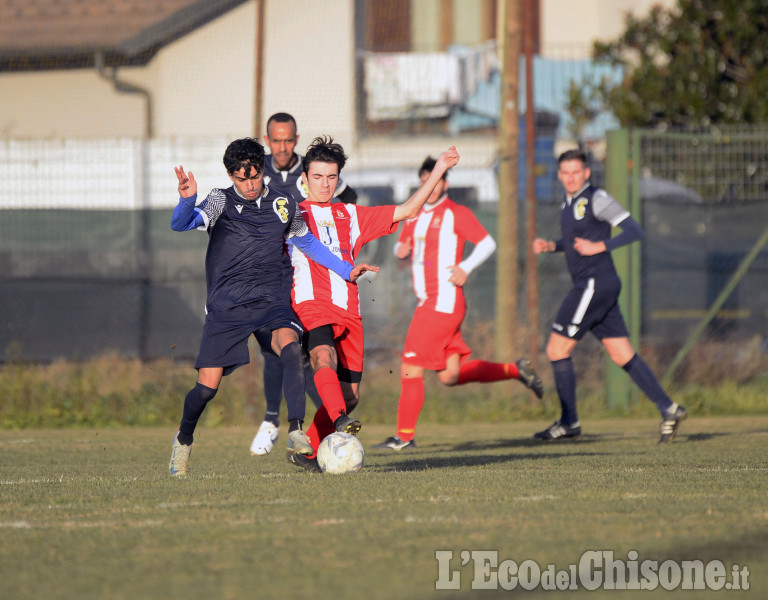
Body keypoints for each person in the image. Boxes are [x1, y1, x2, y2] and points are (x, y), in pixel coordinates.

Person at [167, 137, 375, 476]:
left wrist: (346, 269)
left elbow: (308, 243)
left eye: (254, 176)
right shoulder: (220, 199)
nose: (249, 185)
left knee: (291, 347)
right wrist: (187, 200)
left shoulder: (283, 203)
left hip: (272, 299)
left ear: (262, 170)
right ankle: (183, 439)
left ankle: (295, 431)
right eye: (241, 178)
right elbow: (181, 223)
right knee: (207, 388)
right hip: (228, 305)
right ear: (231, 176)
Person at [287, 137, 461, 471]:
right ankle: (340, 421)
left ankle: (306, 450)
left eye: (331, 177)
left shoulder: (351, 215)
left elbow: (409, 210)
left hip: (349, 311)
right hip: (310, 305)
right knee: (322, 357)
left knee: (351, 395)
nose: (325, 184)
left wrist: (440, 167)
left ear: (339, 179)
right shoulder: (291, 214)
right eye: (318, 176)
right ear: (305, 178)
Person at [373, 156, 544, 451]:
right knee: (450, 375)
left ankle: (404, 437)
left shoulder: (455, 213)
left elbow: (488, 243)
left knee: (410, 366)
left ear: (446, 183)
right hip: (434, 302)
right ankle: (515, 370)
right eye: (426, 181)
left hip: (442, 302)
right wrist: (402, 248)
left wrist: (466, 267)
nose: (431, 186)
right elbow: (404, 246)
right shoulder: (414, 215)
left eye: (437, 180)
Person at [532, 148, 687, 444]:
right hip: (599, 286)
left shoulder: (596, 199)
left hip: (594, 284)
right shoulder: (568, 203)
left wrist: (601, 246)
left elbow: (634, 230)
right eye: (565, 173)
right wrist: (552, 246)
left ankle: (569, 422)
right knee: (621, 353)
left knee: (556, 349)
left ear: (587, 173)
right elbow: (576, 241)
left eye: (576, 172)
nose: (570, 178)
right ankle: (669, 409)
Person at [249, 112, 358, 456]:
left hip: (315, 283)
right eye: (275, 140)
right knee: (277, 351)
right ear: (267, 140)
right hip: (273, 279)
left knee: (312, 357)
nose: (282, 146)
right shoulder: (256, 172)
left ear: (296, 140)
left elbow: (346, 206)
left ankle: (321, 425)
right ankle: (272, 421)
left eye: (287, 139)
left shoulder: (314, 171)